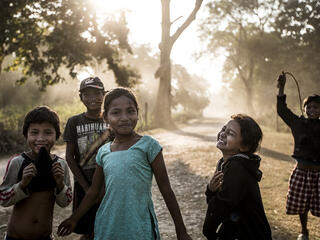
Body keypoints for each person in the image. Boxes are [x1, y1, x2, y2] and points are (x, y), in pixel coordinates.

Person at [57, 87, 192, 240]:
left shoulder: (149, 146)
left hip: (139, 227)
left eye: (130, 111)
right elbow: (93, 192)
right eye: (116, 112)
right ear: (105, 118)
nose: (124, 117)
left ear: (137, 114)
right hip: (107, 226)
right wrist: (74, 218)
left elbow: (166, 189)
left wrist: (181, 231)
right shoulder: (104, 152)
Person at [0, 106, 72, 240]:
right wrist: (22, 184)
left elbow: (66, 202)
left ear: (57, 136)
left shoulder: (60, 165)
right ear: (26, 135)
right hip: (15, 236)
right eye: (34, 132)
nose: (41, 138)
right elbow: (3, 199)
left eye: (48, 132)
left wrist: (60, 184)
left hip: (44, 236)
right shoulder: (17, 162)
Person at [202, 114, 272, 240]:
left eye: (230, 134)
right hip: (236, 228)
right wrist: (211, 190)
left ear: (244, 146)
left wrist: (208, 230)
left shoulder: (237, 167)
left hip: (251, 233)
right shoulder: (225, 163)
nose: (222, 134)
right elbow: (221, 202)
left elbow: (223, 204)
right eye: (224, 129)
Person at [63, 76, 108, 240]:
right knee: (87, 230)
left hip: (108, 185)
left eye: (97, 93)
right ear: (80, 97)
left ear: (104, 95)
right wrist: (86, 187)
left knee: (107, 227)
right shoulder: (74, 122)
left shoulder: (112, 120)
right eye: (87, 94)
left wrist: (102, 187)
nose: (93, 98)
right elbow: (69, 156)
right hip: (83, 184)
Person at [277, 73, 320, 240]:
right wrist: (281, 87)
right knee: (302, 204)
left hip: (319, 172)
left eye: (316, 107)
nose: (312, 110)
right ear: (304, 109)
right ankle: (304, 231)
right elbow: (282, 110)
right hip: (301, 171)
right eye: (309, 107)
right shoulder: (298, 123)